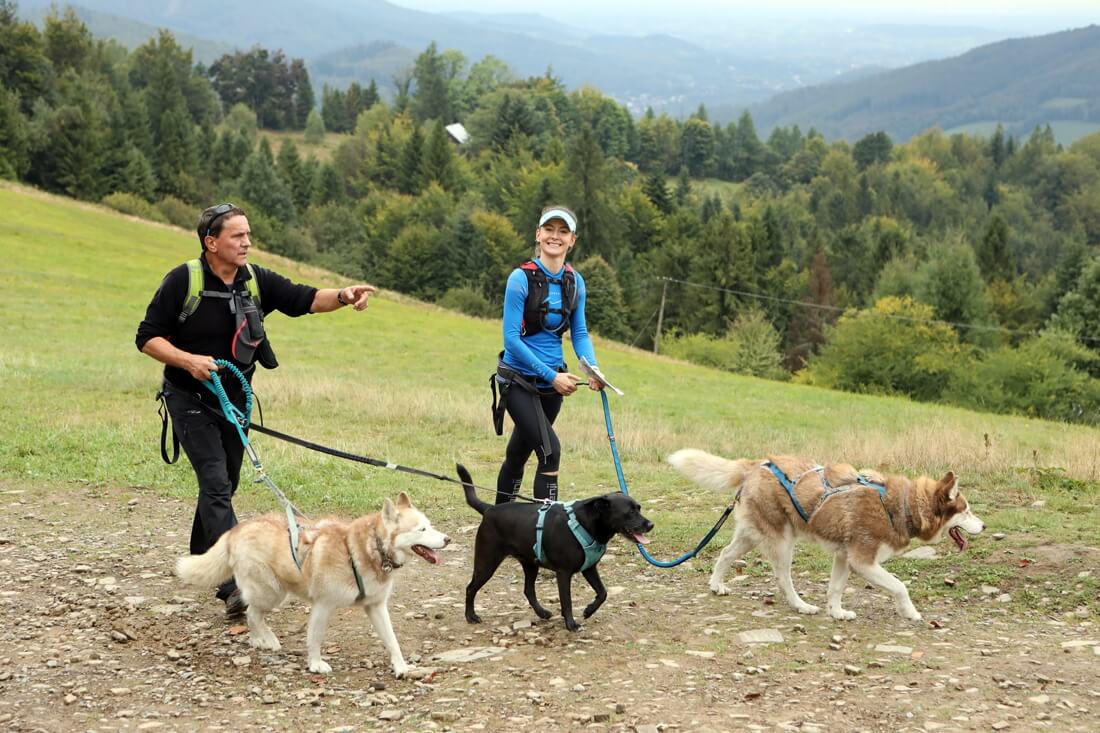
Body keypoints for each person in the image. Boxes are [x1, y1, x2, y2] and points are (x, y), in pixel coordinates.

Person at [135, 203, 376, 617]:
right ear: (211, 243)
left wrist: (342, 295)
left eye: (248, 234)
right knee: (214, 482)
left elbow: (305, 299)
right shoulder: (183, 281)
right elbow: (147, 338)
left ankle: (202, 550)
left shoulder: (255, 281)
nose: (246, 242)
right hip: (189, 399)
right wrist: (189, 361)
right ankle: (233, 586)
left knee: (225, 482)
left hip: (235, 400)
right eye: (237, 236)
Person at [493, 205, 604, 504]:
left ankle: (500, 520)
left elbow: (579, 333)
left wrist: (592, 369)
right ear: (538, 234)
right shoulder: (520, 279)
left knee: (519, 452)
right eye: (550, 230)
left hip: (553, 386)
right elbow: (511, 340)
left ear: (572, 240)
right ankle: (544, 534)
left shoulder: (575, 282)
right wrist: (551, 376)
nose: (555, 236)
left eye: (563, 231)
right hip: (518, 381)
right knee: (550, 452)